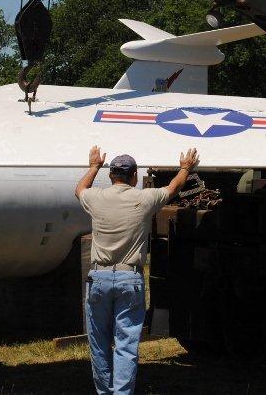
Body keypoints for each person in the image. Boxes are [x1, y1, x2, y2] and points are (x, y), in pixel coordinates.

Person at [75, 146, 199, 395]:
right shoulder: (144, 199)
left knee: (99, 343)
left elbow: (79, 190)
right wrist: (185, 167)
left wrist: (93, 166)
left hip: (98, 277)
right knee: (126, 344)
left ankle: (104, 392)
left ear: (111, 176)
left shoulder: (96, 198)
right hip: (129, 278)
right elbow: (173, 188)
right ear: (134, 177)